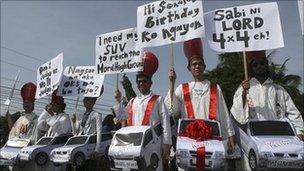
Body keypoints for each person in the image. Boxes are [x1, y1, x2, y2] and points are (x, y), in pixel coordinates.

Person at [165, 38, 235, 153]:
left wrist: (230, 136)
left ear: (204, 66)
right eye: (194, 64)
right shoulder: (182, 89)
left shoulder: (214, 88)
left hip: (212, 138)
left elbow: (224, 114)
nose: (197, 66)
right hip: (188, 139)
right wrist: (172, 83)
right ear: (189, 68)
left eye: (200, 64)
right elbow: (173, 111)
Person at [114, 51, 172, 169]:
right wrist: (118, 100)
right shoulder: (132, 101)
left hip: (153, 144)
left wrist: (166, 143)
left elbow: (166, 122)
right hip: (134, 144)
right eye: (139, 81)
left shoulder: (158, 99)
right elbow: (121, 117)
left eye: (144, 81)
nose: (141, 84)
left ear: (150, 82)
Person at [230, 50, 304, 140]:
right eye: (255, 65)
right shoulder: (244, 88)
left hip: (280, 135)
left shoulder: (279, 89)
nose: (259, 66)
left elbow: (293, 113)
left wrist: (299, 131)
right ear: (251, 68)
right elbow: (237, 114)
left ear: (267, 65)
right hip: (255, 137)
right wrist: (243, 94)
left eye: (262, 63)